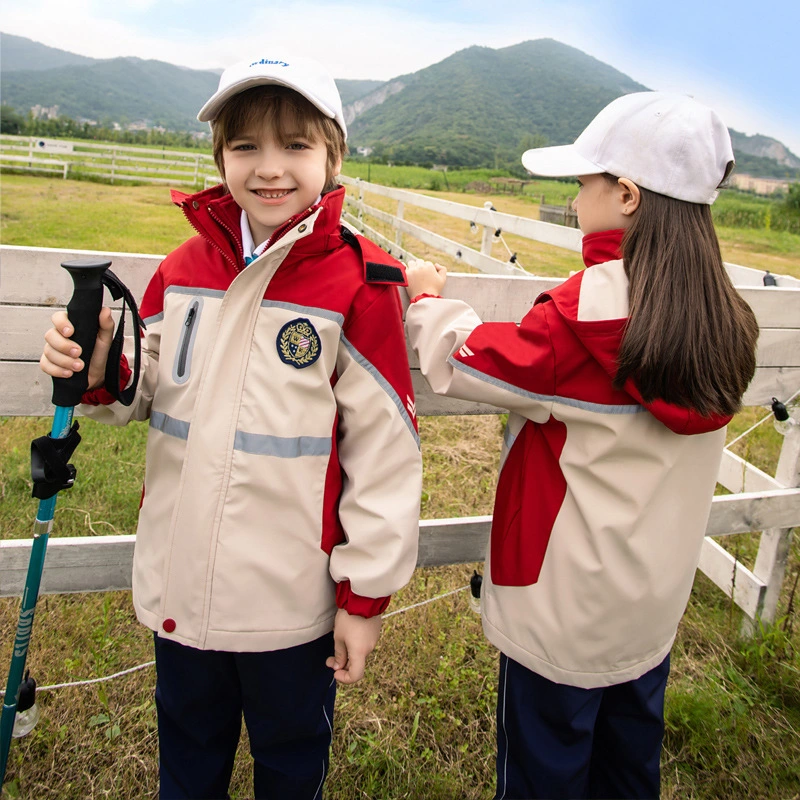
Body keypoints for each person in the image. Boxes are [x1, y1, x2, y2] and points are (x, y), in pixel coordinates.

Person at [40, 54, 422, 800]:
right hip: (183, 589)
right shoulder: (184, 265)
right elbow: (140, 388)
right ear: (220, 156)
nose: (269, 168)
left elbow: (385, 458)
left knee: (290, 765)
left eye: (295, 145)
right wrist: (95, 369)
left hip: (292, 607)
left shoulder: (361, 284)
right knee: (187, 761)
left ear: (332, 155)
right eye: (246, 146)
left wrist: (364, 600)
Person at [403, 92, 759, 799]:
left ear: (625, 195)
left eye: (585, 181)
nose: (577, 194)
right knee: (628, 770)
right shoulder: (725, 317)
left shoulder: (577, 321)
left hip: (561, 618)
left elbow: (467, 358)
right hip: (650, 611)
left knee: (544, 772)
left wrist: (426, 300)